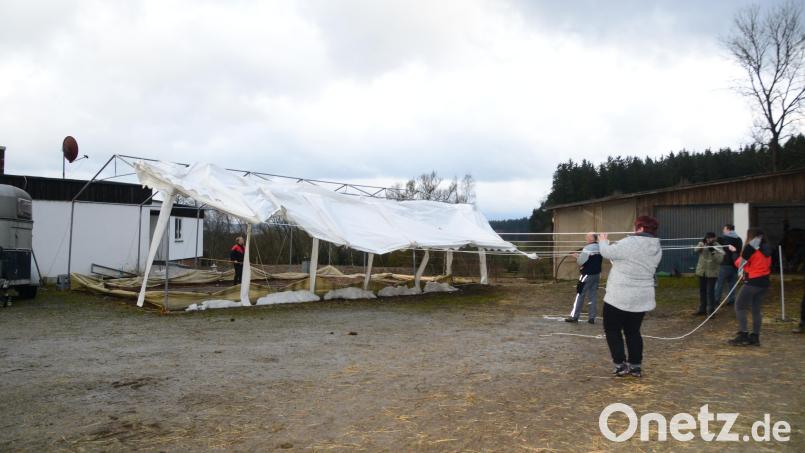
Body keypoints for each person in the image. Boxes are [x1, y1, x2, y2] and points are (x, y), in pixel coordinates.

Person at [599, 216, 662, 378]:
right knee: (633, 332)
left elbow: (607, 252)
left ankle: (620, 364)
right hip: (641, 297)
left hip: (620, 296)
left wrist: (603, 240)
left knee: (612, 330)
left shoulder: (630, 242)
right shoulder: (656, 247)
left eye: (636, 226)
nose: (634, 229)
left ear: (641, 228)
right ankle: (635, 366)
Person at [727, 228, 772, 346]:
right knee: (756, 309)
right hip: (764, 282)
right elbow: (757, 264)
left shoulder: (750, 250)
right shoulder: (766, 249)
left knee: (739, 306)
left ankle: (743, 334)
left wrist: (734, 252)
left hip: (753, 282)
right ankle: (755, 337)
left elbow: (739, 263)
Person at [565, 232, 602, 324]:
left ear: (591, 238)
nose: (586, 238)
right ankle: (592, 317)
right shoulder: (600, 247)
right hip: (596, 275)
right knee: (592, 295)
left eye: (587, 236)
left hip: (587, 274)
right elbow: (590, 259)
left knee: (580, 294)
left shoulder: (587, 248)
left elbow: (581, 262)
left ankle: (574, 316)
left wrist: (577, 257)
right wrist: (579, 256)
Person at [693, 232, 725, 316]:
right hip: (702, 271)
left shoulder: (718, 247)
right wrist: (701, 245)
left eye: (710, 238)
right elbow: (695, 250)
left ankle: (711, 311)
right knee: (702, 291)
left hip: (712, 273)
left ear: (714, 238)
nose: (709, 240)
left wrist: (713, 251)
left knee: (710, 292)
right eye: (707, 238)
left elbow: (720, 260)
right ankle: (702, 309)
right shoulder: (702, 243)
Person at [715, 224, 743, 306]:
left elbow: (718, 246)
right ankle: (731, 300)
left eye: (724, 229)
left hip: (725, 264)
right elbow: (738, 251)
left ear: (728, 229)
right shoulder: (739, 239)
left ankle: (716, 300)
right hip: (735, 264)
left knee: (719, 283)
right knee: (732, 283)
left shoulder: (724, 238)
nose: (723, 231)